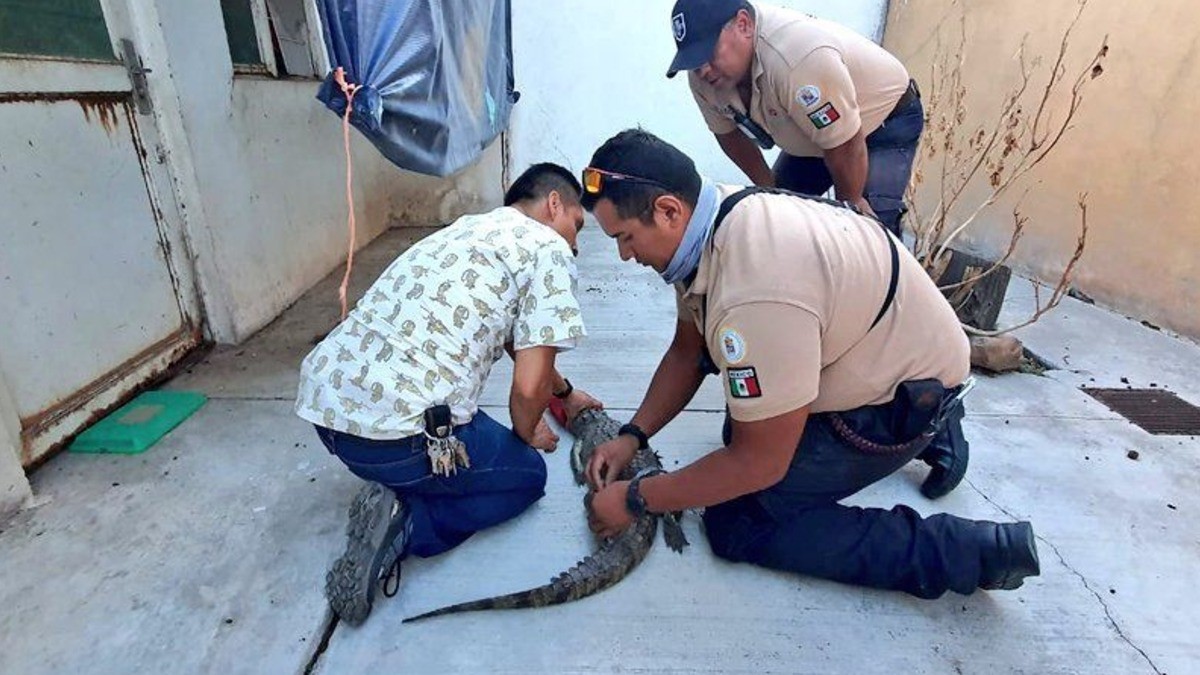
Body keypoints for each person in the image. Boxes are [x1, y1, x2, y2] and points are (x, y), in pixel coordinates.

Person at [578, 129, 1039, 599]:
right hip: (900, 345)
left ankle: (971, 551)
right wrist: (632, 436)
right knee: (742, 428)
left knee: (739, 520)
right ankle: (934, 424)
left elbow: (760, 463)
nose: (624, 255)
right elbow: (688, 352)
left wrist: (637, 498)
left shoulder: (754, 289)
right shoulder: (715, 218)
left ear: (668, 210)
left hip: (904, 391)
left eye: (626, 238)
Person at [295, 162, 603, 625]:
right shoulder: (547, 249)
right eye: (576, 226)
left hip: (327, 414)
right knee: (526, 476)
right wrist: (529, 427)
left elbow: (520, 346)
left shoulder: (467, 231)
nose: (575, 244)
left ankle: (393, 492)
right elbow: (527, 385)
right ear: (554, 204)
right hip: (400, 441)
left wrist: (565, 393)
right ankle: (408, 522)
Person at [666, 0, 923, 235]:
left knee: (869, 235)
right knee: (779, 221)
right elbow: (728, 135)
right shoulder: (704, 78)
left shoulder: (797, 59)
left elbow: (845, 144)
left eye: (708, 54)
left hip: (883, 123)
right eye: (694, 60)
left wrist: (851, 208)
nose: (702, 70)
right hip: (818, 136)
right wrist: (768, 188)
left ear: (743, 24)